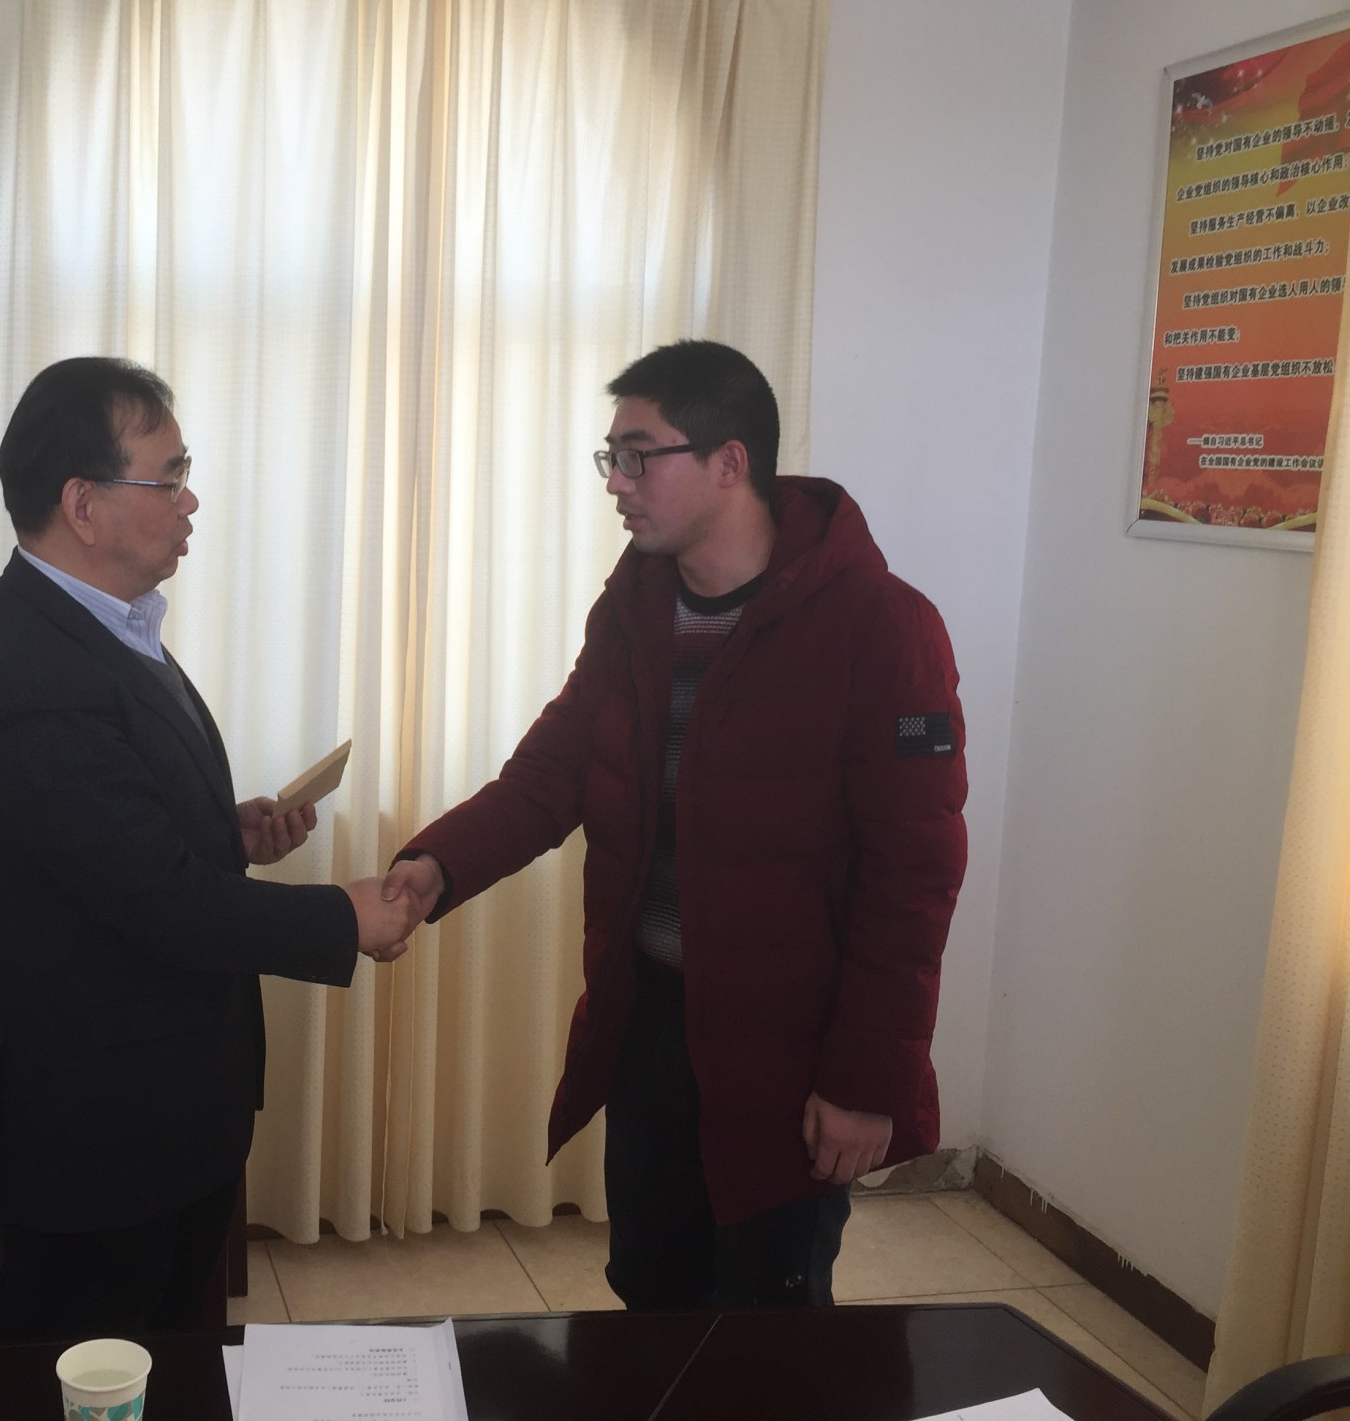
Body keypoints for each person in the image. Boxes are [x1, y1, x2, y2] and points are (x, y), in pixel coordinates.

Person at [382, 339, 967, 1309]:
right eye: (610, 456)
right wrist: (436, 866)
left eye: (638, 456)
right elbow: (555, 770)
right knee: (650, 1292)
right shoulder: (637, 606)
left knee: (765, 1320)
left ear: (729, 462)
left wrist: (867, 1082)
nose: (616, 481)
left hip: (789, 1051)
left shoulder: (880, 626)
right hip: (651, 1026)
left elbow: (913, 879)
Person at [0, 356, 418, 1344]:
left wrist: (222, 831)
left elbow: (108, 844)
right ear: (82, 504)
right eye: (168, 477)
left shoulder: (104, 626)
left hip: (165, 1098)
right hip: (97, 1124)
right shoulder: (28, 667)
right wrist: (343, 918)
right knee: (81, 1366)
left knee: (166, 1352)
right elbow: (160, 901)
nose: (190, 501)